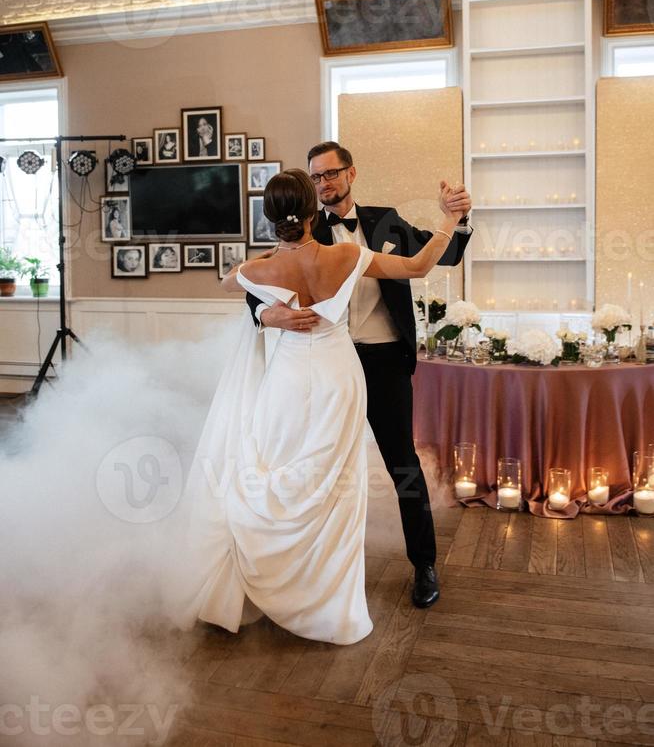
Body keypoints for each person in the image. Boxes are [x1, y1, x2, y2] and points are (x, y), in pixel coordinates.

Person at [173, 169, 465, 644]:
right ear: (314, 211)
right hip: (338, 376)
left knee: (278, 471)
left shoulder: (258, 268)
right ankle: (326, 596)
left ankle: (288, 575)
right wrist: (449, 221)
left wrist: (269, 276)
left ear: (269, 218)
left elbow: (229, 283)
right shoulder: (346, 255)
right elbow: (418, 267)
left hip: (302, 377)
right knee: (337, 483)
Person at [246, 142, 472, 609]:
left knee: (402, 464)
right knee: (315, 466)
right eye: (315, 177)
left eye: (331, 174)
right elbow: (257, 283)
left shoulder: (385, 220)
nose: (324, 183)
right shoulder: (302, 230)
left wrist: (457, 218)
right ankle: (311, 569)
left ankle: (424, 564)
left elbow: (437, 258)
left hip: (385, 360)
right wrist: (268, 317)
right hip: (327, 365)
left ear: (352, 174)